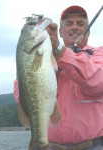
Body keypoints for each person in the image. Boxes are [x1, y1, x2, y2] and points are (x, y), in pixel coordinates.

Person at [14, 5, 103, 150]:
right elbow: (22, 93)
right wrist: (54, 54)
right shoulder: (45, 56)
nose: (75, 27)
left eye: (80, 24)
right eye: (69, 24)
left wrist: (61, 52)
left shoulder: (99, 54)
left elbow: (98, 82)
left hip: (94, 145)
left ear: (88, 31)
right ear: (60, 32)